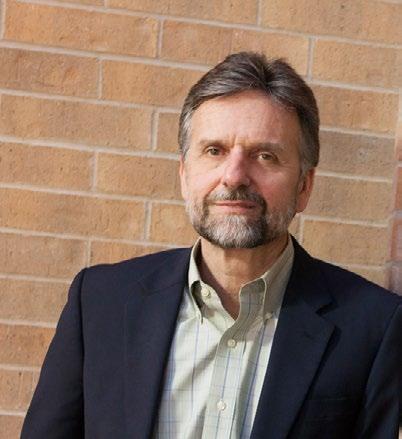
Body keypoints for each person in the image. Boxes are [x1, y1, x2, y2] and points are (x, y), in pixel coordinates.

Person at [21, 52, 402, 439]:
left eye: (265, 156)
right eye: (214, 151)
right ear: (184, 175)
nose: (234, 176)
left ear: (304, 186)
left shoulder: (373, 328)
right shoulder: (99, 303)